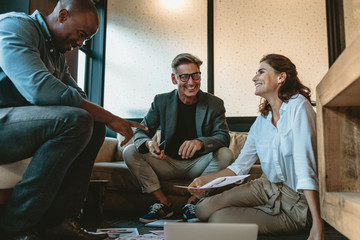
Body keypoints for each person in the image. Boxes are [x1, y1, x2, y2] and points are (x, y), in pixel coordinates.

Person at [0, 0, 146, 239]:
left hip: (16, 128)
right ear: (63, 15)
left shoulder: (55, 53)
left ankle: (57, 223)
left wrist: (105, 118)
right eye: (80, 35)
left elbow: (79, 95)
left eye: (85, 40)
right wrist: (111, 117)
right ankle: (15, 229)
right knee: (76, 119)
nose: (80, 44)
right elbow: (39, 89)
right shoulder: (16, 27)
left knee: (93, 123)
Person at [188, 54, 326, 240]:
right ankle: (262, 211)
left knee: (217, 219)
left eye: (261, 72)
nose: (254, 78)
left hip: (295, 200)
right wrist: (205, 180)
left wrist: (318, 225)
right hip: (265, 185)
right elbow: (239, 166)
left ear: (281, 77)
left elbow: (305, 166)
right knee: (201, 209)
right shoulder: (262, 120)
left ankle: (270, 214)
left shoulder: (298, 106)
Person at [123, 53, 233, 223]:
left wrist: (199, 143)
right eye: (184, 77)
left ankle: (192, 203)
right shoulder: (161, 101)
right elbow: (141, 131)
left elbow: (223, 137)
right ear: (174, 79)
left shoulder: (214, 103)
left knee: (226, 154)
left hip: (199, 164)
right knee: (130, 151)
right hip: (167, 161)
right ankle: (163, 203)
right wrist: (148, 142)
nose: (191, 82)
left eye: (195, 75)